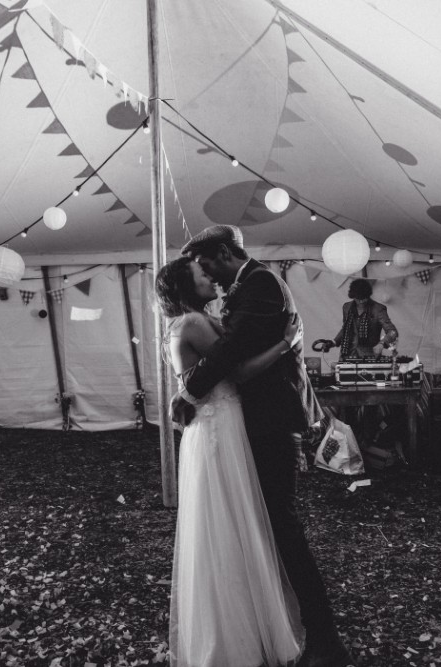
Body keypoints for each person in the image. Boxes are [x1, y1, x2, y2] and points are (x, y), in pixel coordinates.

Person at [171, 225, 353, 667]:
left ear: (220, 252)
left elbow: (231, 353)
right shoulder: (245, 286)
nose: (208, 274)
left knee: (283, 529)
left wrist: (190, 389)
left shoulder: (261, 284)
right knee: (262, 529)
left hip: (270, 424)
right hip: (249, 424)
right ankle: (270, 623)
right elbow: (231, 351)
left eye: (207, 263)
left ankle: (326, 641)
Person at [157, 255, 306, 666]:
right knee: (233, 525)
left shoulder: (191, 321)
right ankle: (239, 636)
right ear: (187, 286)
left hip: (213, 426)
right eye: (200, 274)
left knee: (225, 524)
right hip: (220, 426)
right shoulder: (195, 324)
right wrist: (284, 344)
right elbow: (238, 371)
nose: (209, 276)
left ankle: (231, 628)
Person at [320, 278, 398, 359]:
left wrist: (382, 344)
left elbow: (392, 331)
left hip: (369, 355)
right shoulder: (347, 307)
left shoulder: (378, 309)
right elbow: (346, 329)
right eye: (358, 299)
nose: (361, 301)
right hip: (346, 354)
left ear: (368, 295)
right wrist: (333, 342)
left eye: (364, 298)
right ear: (353, 296)